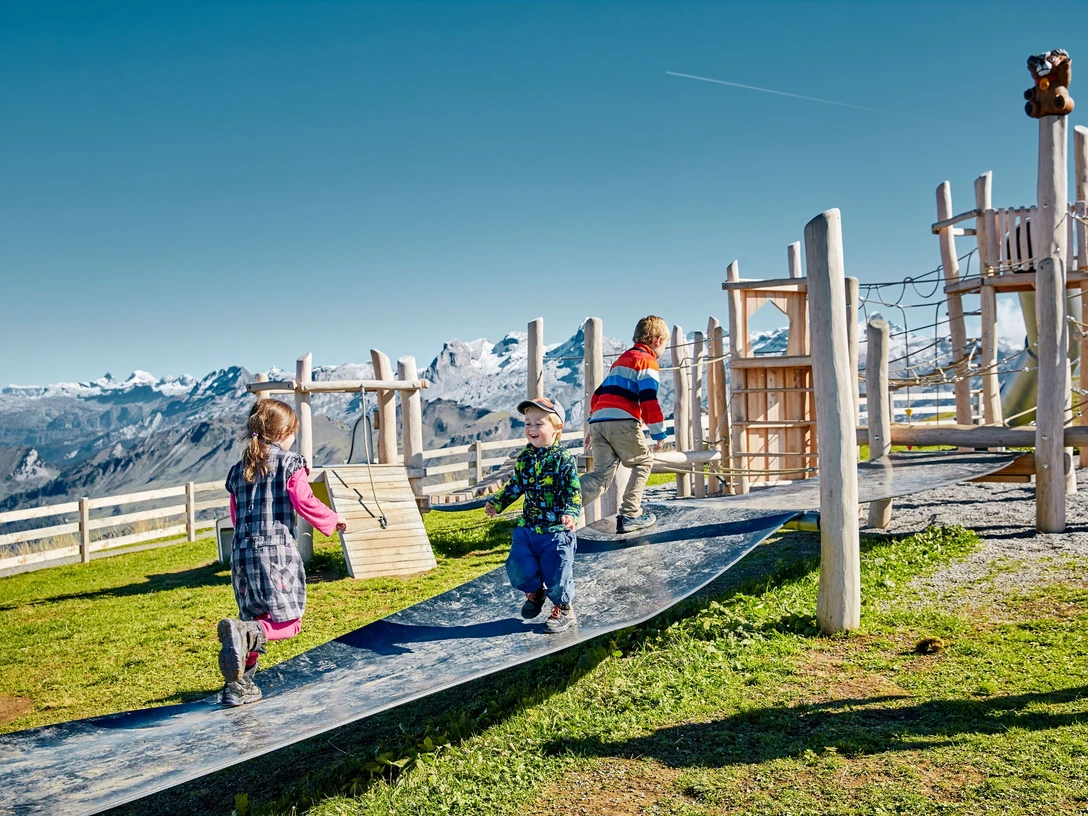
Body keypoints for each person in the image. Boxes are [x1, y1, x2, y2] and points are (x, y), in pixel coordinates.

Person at [218, 399, 347, 706]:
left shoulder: (239, 470)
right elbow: (304, 501)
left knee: (252, 618)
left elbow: (236, 516)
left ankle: (238, 685)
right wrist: (333, 519)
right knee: (288, 623)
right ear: (285, 432)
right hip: (275, 555)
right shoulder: (291, 463)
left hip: (242, 555)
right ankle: (248, 633)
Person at [485, 397, 582, 633]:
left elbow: (573, 491)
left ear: (556, 428)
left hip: (556, 532)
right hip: (528, 527)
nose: (531, 428)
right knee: (518, 565)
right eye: (527, 423)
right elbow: (515, 485)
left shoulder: (564, 460)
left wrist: (570, 513)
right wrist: (498, 503)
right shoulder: (525, 457)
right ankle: (535, 592)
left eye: (539, 423)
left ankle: (563, 608)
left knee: (558, 572)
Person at [579, 315, 669, 533]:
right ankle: (630, 514)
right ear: (657, 340)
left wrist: (593, 422)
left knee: (601, 475)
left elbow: (599, 393)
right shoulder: (647, 361)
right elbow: (648, 398)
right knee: (643, 462)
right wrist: (659, 434)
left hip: (599, 421)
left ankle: (561, 505)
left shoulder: (621, 361)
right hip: (622, 420)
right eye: (666, 344)